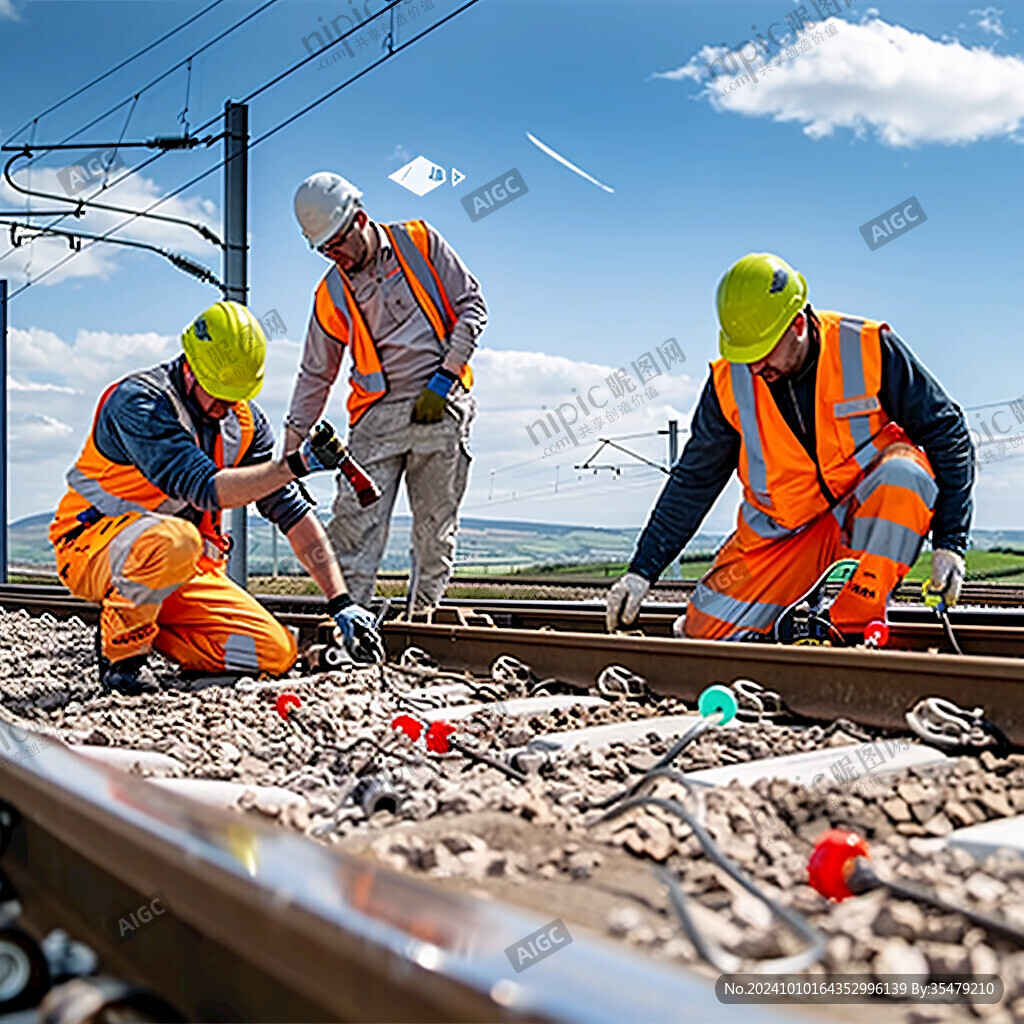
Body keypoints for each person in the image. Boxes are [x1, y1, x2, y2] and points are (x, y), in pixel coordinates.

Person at [606, 252, 976, 643]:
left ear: (798, 323)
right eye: (743, 354)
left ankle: (848, 628)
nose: (752, 367)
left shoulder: (866, 347)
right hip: (781, 539)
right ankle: (784, 630)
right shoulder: (729, 385)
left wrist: (950, 541)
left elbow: (947, 432)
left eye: (761, 351)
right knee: (704, 635)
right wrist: (642, 570)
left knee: (906, 474)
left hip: (859, 521)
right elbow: (693, 483)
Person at [49, 300, 384, 694]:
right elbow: (203, 487)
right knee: (175, 539)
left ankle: (150, 627)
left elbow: (288, 509)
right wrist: (295, 464)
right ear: (190, 366)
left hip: (179, 568)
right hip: (92, 546)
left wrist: (340, 601)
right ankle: (123, 661)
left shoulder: (246, 424)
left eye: (235, 396)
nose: (224, 406)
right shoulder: (140, 403)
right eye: (217, 393)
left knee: (273, 654)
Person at [286, 171, 487, 613]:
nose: (333, 256)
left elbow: (472, 304)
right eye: (323, 250)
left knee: (434, 531)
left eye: (336, 244)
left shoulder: (420, 242)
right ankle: (348, 625)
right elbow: (315, 375)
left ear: (359, 219)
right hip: (375, 420)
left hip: (441, 406)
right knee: (354, 530)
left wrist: (446, 375)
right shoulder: (330, 293)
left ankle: (422, 623)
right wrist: (290, 453)